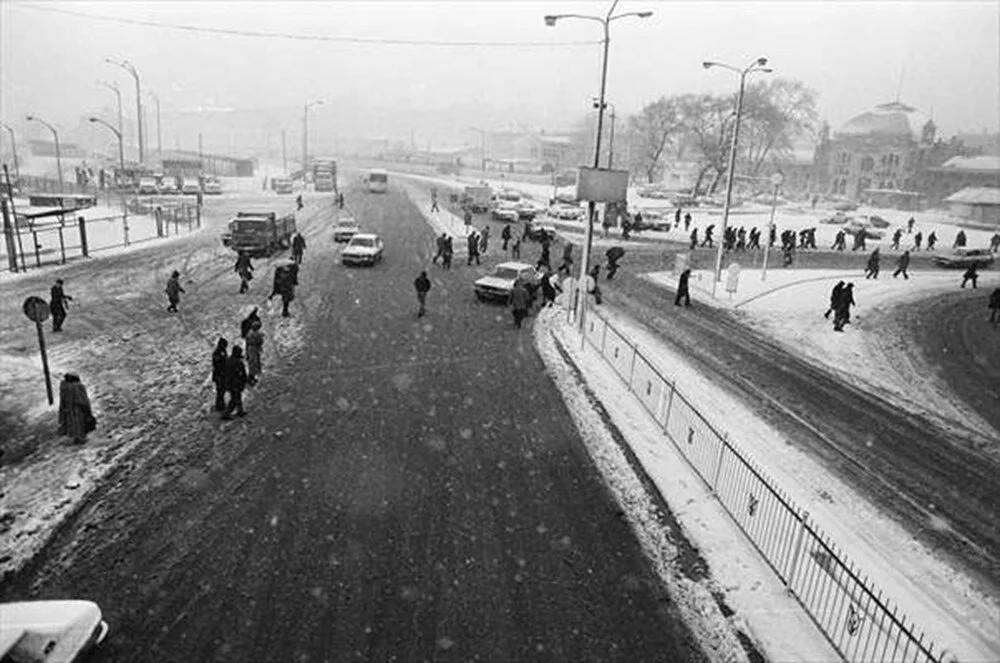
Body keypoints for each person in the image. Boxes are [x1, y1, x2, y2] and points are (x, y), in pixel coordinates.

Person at [58, 373, 94, 445]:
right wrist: (89, 413)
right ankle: (80, 440)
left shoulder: (64, 387)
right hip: (78, 411)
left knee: (72, 427)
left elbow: (62, 403)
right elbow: (84, 402)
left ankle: (75, 439)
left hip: (68, 411)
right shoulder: (79, 387)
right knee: (80, 427)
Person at [222, 346, 248, 419]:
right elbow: (242, 373)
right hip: (236, 383)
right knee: (234, 398)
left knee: (237, 397)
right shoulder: (238, 362)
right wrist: (244, 381)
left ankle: (240, 410)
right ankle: (226, 413)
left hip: (229, 382)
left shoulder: (228, 360)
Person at [211, 338, 229, 411]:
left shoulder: (222, 351)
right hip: (219, 374)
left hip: (222, 374)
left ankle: (220, 403)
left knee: (222, 389)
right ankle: (219, 405)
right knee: (220, 390)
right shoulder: (217, 353)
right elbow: (218, 364)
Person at [245, 321, 264, 385]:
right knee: (253, 363)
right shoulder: (255, 334)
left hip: (251, 349)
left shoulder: (249, 333)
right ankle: (251, 377)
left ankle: (252, 376)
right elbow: (259, 342)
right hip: (253, 349)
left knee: (253, 362)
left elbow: (247, 343)